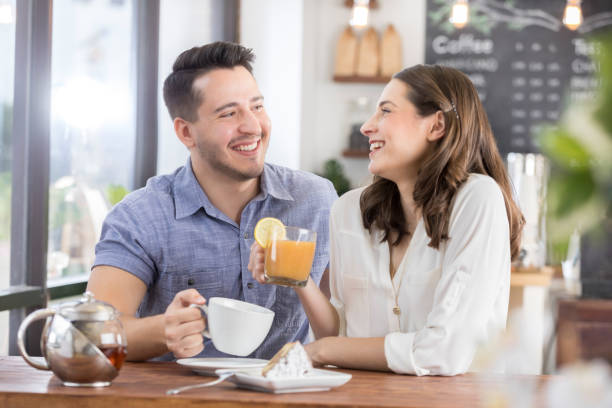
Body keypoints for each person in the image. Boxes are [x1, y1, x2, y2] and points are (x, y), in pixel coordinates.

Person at [249, 64, 524, 375]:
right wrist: (298, 279)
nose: (367, 126)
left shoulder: (477, 199)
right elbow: (340, 336)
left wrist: (321, 351)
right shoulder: (349, 211)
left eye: (385, 111)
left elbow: (445, 351)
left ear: (436, 126)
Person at [87, 41, 338, 361]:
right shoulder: (140, 217)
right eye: (229, 113)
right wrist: (164, 330)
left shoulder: (315, 199)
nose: (252, 126)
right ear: (186, 133)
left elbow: (342, 323)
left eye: (257, 107)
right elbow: (95, 330)